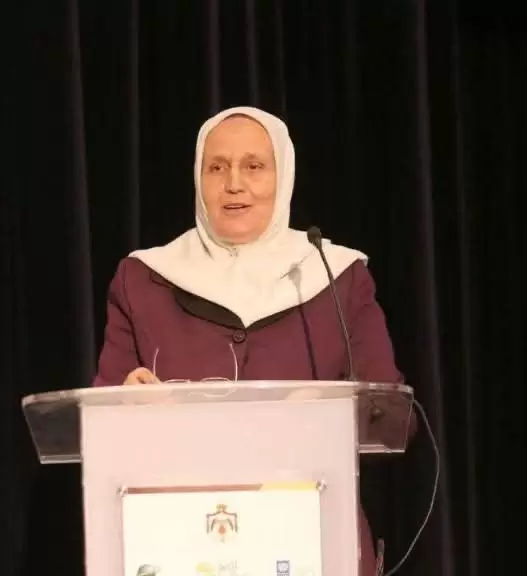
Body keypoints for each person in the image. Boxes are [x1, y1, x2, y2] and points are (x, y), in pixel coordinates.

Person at [93, 106, 410, 575]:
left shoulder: (336, 275)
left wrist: (333, 409)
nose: (234, 184)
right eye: (216, 167)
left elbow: (396, 420)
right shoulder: (142, 280)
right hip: (176, 539)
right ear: (198, 178)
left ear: (284, 177)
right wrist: (124, 405)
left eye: (254, 166)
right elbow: (98, 420)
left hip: (311, 535)